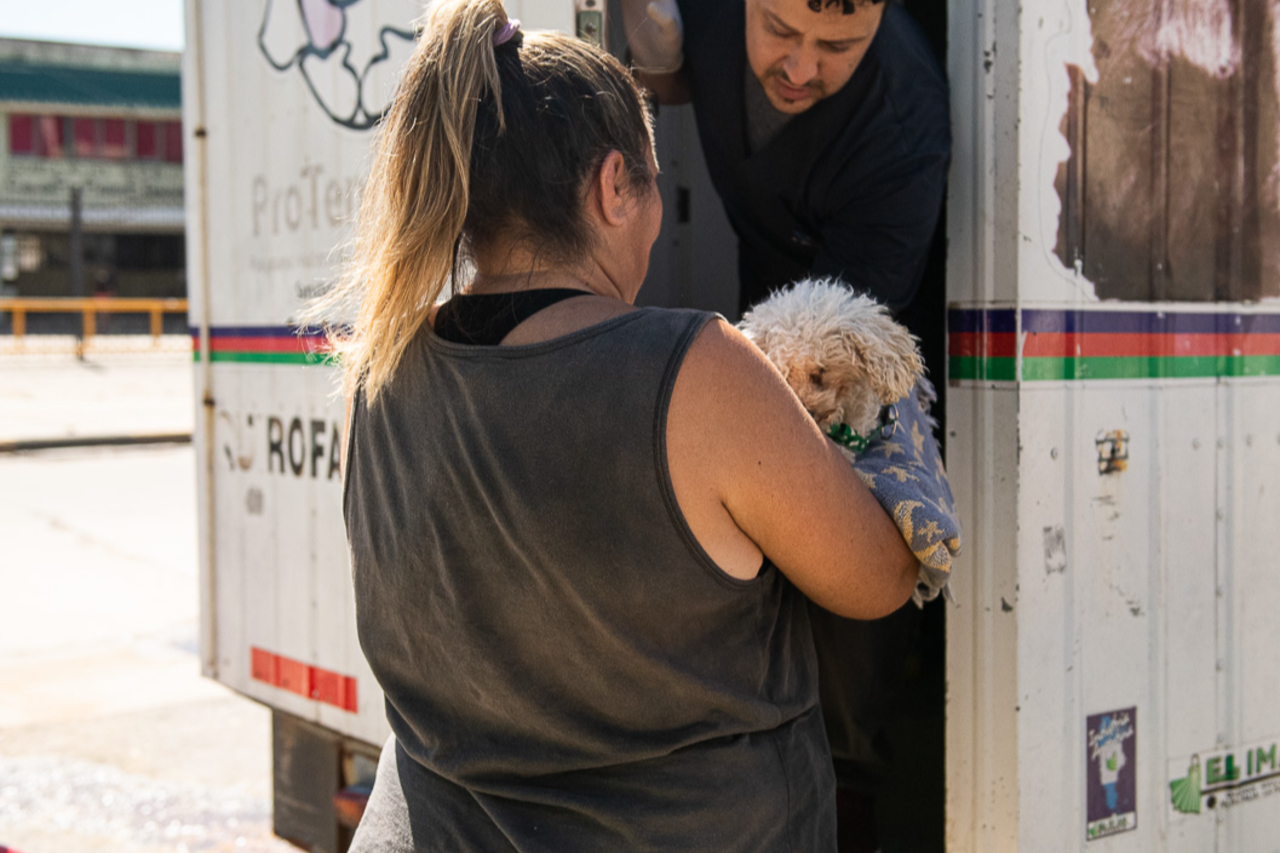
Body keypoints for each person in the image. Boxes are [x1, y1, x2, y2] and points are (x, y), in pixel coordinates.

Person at [313, 1, 918, 849]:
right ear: (612, 187)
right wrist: (883, 424)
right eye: (651, 183)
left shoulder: (378, 373)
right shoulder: (698, 368)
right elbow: (878, 577)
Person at [621, 0, 952, 848]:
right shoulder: (702, 13)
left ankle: (852, 796)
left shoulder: (905, 125)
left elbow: (844, 356)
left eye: (838, 46)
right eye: (779, 30)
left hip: (852, 350)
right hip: (760, 303)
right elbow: (664, 64)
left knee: (851, 613)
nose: (802, 68)